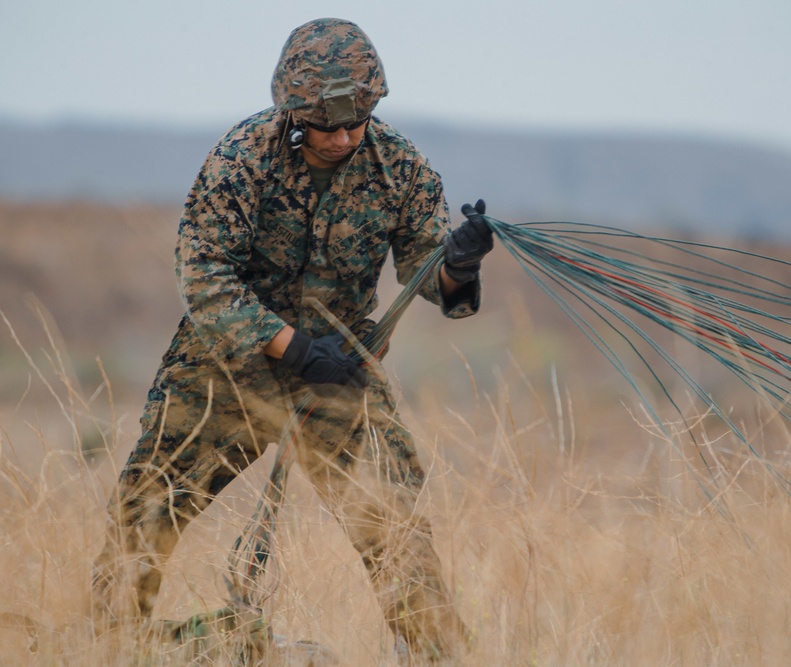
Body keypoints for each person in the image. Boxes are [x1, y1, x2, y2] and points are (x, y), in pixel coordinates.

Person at [91, 17, 492, 660]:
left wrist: (462, 263)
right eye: (324, 125)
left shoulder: (402, 167)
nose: (340, 138)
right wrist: (296, 350)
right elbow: (205, 276)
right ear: (293, 112)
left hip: (344, 373)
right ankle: (105, 648)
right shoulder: (241, 158)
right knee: (147, 510)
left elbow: (431, 277)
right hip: (228, 369)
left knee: (394, 527)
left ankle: (439, 654)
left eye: (354, 123)